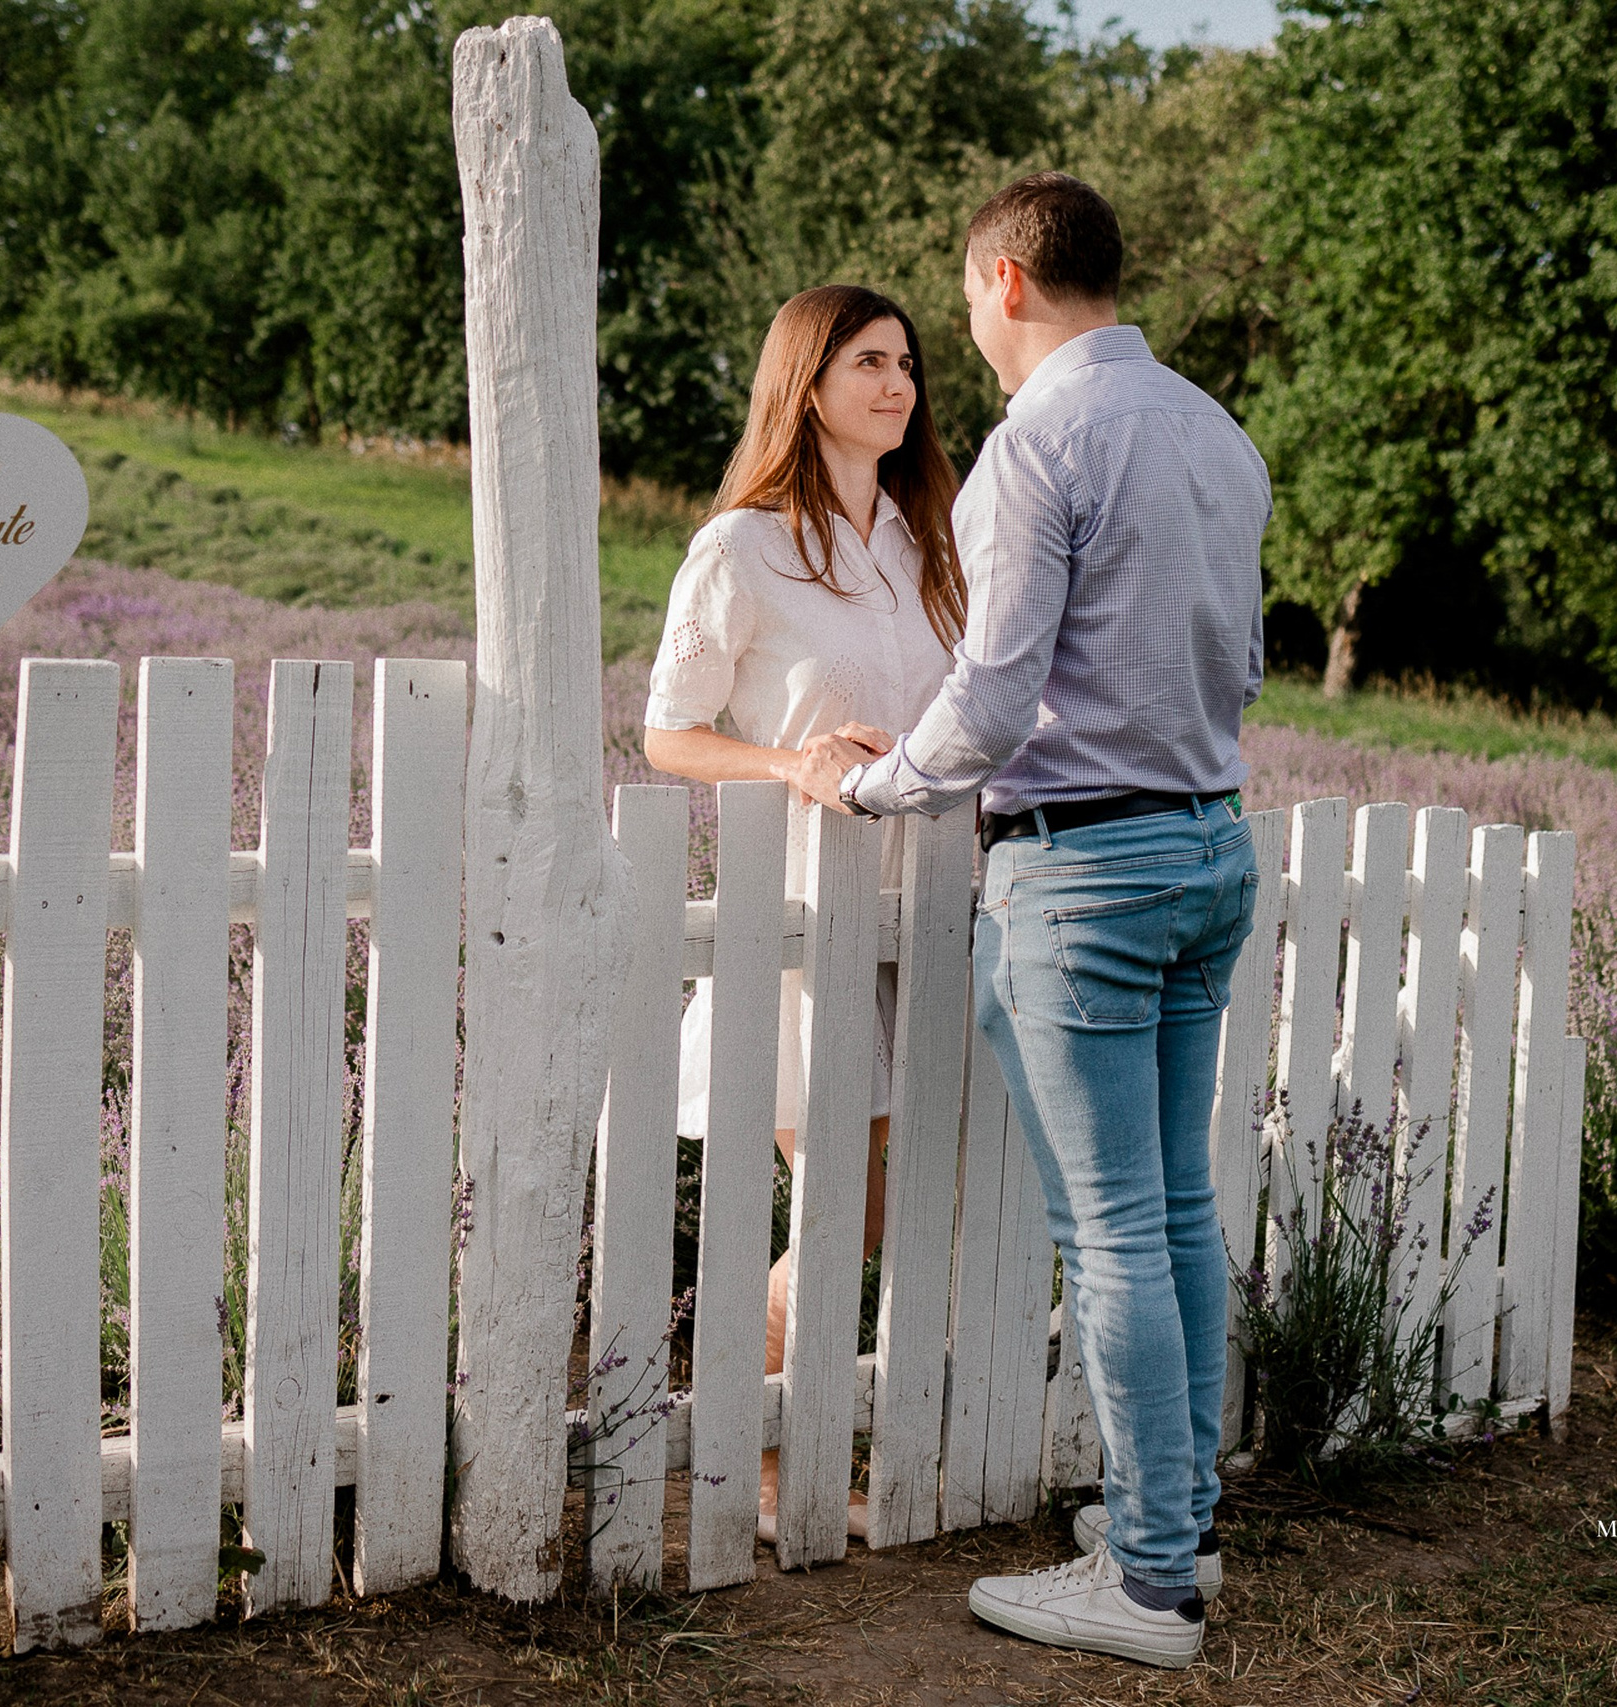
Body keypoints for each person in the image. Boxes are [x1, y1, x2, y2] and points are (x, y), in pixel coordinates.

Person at [774, 172, 1269, 1670]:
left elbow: (993, 695)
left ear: (1001, 281)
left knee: (1113, 1226)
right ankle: (1168, 1524)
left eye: (962, 309)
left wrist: (881, 788)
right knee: (1174, 1206)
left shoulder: (1033, 445)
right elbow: (1239, 659)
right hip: (1210, 843)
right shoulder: (1218, 434)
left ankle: (1149, 1579)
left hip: (1088, 870)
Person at [642, 283, 966, 1541]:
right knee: (838, 1200)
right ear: (807, 382)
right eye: (869, 362)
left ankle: (804, 1430)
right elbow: (667, 734)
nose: (898, 385)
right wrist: (789, 764)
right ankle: (772, 1467)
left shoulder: (924, 535)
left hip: (931, 904)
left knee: (892, 1206)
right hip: (803, 916)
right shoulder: (740, 547)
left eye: (907, 364)